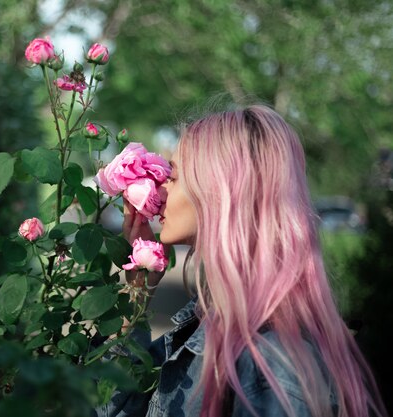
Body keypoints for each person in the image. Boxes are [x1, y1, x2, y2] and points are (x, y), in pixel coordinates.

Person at [94, 105, 388, 417]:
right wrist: (135, 291)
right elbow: (110, 408)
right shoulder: (206, 325)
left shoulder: (270, 365)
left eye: (175, 176)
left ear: (222, 193)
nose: (160, 189)